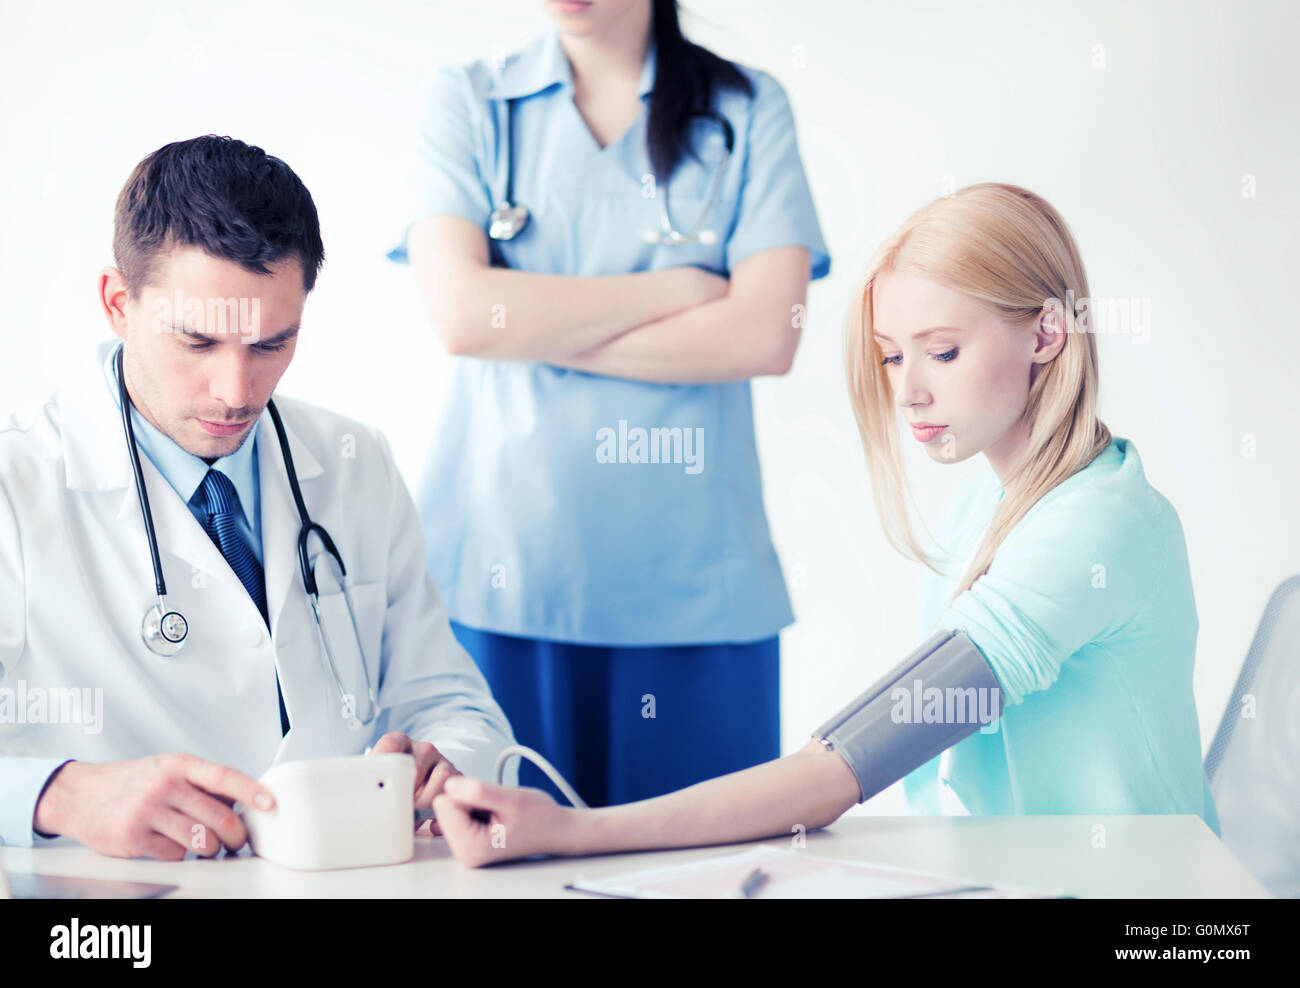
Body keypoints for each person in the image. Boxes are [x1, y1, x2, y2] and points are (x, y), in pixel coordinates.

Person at [429, 183, 1221, 866]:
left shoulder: (1097, 527)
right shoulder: (990, 500)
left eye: (941, 352)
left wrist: (576, 830)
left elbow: (853, 759)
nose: (907, 391)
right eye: (890, 356)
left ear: (1047, 333)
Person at [0, 136, 516, 858]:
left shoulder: (354, 462)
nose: (237, 392)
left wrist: (448, 759)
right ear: (119, 303)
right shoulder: (16, 485)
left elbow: (450, 700)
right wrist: (57, 793)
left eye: (272, 344)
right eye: (199, 342)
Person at [388, 0, 830, 806]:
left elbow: (767, 332)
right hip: (503, 581)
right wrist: (676, 289)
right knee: (498, 874)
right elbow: (462, 317)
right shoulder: (471, 100)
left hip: (695, 595)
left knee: (699, 877)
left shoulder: (747, 108)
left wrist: (529, 322)